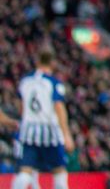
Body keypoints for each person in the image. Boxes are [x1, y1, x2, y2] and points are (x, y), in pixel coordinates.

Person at [11, 50, 74, 189]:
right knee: (59, 172)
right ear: (52, 63)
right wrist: (66, 134)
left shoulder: (25, 81)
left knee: (25, 171)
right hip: (50, 133)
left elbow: (20, 107)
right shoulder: (53, 82)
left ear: (38, 62)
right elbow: (59, 107)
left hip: (28, 132)